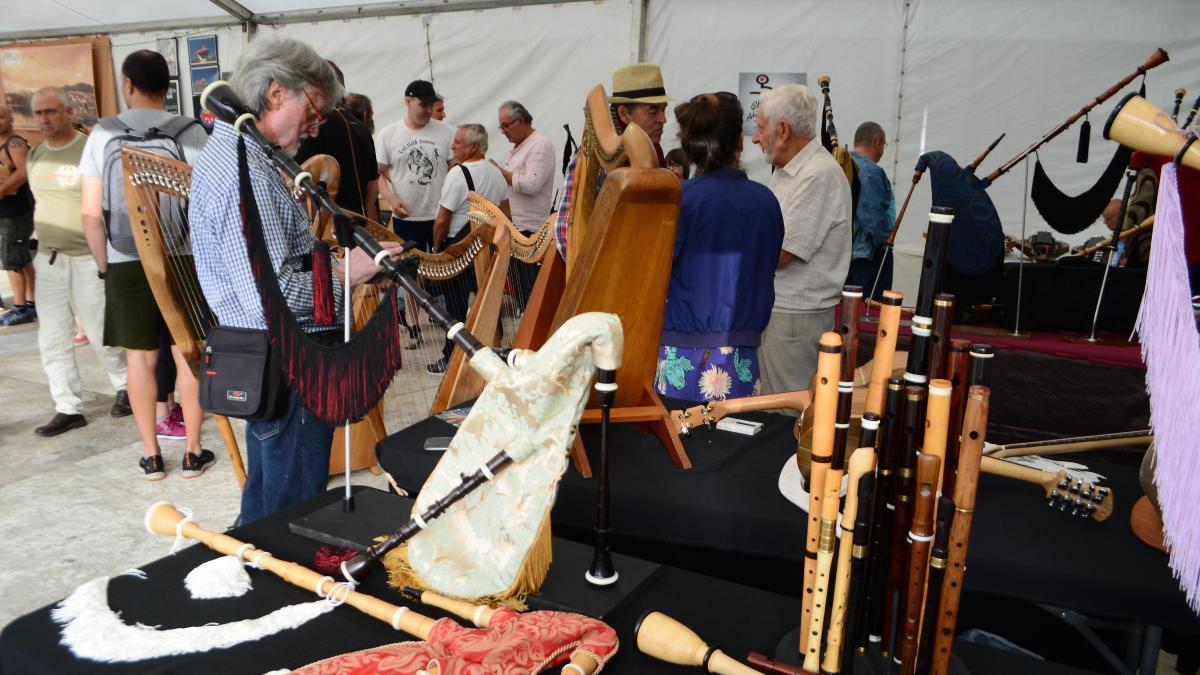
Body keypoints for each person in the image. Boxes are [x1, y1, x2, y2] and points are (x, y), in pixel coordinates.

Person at [190, 37, 402, 524]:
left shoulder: (237, 155)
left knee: (270, 497)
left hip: (269, 358)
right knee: (290, 511)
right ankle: (274, 589)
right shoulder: (243, 168)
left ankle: (254, 577)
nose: (317, 124)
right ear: (275, 92)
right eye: (314, 107)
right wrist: (349, 272)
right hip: (289, 361)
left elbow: (269, 272)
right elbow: (273, 294)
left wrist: (330, 264)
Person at [79, 49, 213, 480]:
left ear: (127, 84)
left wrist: (105, 264)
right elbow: (207, 201)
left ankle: (152, 456)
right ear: (167, 87)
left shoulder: (102, 133)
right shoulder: (192, 131)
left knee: (140, 360)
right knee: (188, 353)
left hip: (125, 257)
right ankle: (193, 451)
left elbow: (89, 212)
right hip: (181, 256)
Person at [655, 93, 783, 401]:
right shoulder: (765, 202)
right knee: (733, 444)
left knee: (673, 443)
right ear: (739, 141)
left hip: (679, 351)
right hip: (741, 355)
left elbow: (657, 273)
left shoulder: (679, 200)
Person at [26, 87, 130, 436]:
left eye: (51, 111)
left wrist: (104, 258)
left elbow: (106, 203)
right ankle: (67, 406)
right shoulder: (36, 154)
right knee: (52, 338)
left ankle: (126, 387)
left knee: (102, 331)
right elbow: (40, 201)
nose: (44, 119)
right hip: (49, 259)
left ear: (68, 111)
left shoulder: (87, 150)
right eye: (38, 113)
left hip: (87, 257)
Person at [752, 84, 851, 405]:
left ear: (782, 130)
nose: (755, 138)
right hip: (784, 313)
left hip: (796, 318)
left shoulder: (817, 174)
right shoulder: (790, 170)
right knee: (772, 406)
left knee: (784, 412)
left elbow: (780, 253)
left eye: (760, 127)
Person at [552, 62, 671, 260]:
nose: (663, 119)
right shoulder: (594, 159)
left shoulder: (655, 153)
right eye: (653, 111)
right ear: (624, 114)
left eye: (663, 110)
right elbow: (565, 232)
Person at [426, 123, 510, 374]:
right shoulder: (496, 172)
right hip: (488, 246)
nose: (452, 145)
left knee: (454, 307)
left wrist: (438, 249)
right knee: (488, 301)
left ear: (474, 146)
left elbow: (442, 220)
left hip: (460, 249)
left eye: (458, 142)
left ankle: (451, 359)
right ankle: (494, 348)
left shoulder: (458, 174)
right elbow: (506, 214)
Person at [375, 79, 454, 252]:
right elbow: (378, 173)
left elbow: (455, 169)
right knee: (410, 271)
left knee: (443, 271)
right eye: (423, 105)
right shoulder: (388, 134)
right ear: (408, 102)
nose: (428, 110)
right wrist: (390, 198)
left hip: (441, 215)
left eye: (430, 105)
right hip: (406, 218)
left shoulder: (447, 131)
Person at [295, 61, 380, 222]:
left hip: (326, 232)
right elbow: (372, 192)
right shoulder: (361, 128)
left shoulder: (316, 125)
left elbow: (291, 181)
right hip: (358, 229)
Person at [492, 100, 554, 308]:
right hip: (515, 225)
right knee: (520, 288)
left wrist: (502, 173)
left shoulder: (540, 144)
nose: (503, 131)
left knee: (527, 290)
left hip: (529, 229)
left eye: (505, 126)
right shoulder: (520, 147)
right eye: (501, 126)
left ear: (520, 121)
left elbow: (531, 184)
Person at [846, 121, 896, 298]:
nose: (883, 150)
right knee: (869, 312)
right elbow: (872, 215)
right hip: (867, 253)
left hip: (844, 251)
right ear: (877, 142)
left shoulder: (842, 163)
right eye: (884, 144)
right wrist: (885, 239)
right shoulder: (869, 171)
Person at [0, 105, 36, 326]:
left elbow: (24, 171)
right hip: (8, 212)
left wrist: (2, 190)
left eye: (1, 116)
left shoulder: (15, 143)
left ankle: (20, 307)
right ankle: (32, 302)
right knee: (21, 258)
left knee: (11, 260)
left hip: (15, 212)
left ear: (11, 118)